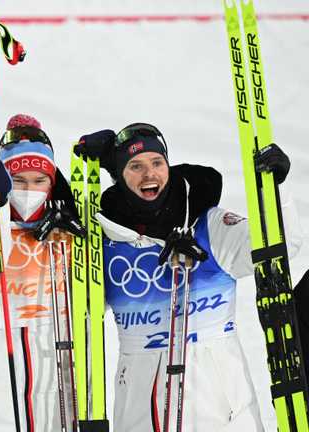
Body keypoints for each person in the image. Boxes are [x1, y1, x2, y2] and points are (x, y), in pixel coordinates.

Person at [75, 123, 302, 431]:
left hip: (222, 413)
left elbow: (279, 247)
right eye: (135, 166)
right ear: (120, 176)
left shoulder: (210, 226)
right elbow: (75, 307)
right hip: (140, 414)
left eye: (157, 162)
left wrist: (274, 189)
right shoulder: (107, 241)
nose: (149, 174)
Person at [0, 114, 83, 431]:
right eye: (19, 180)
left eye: (39, 181)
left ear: (52, 182)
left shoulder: (70, 227)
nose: (29, 190)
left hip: (55, 356)